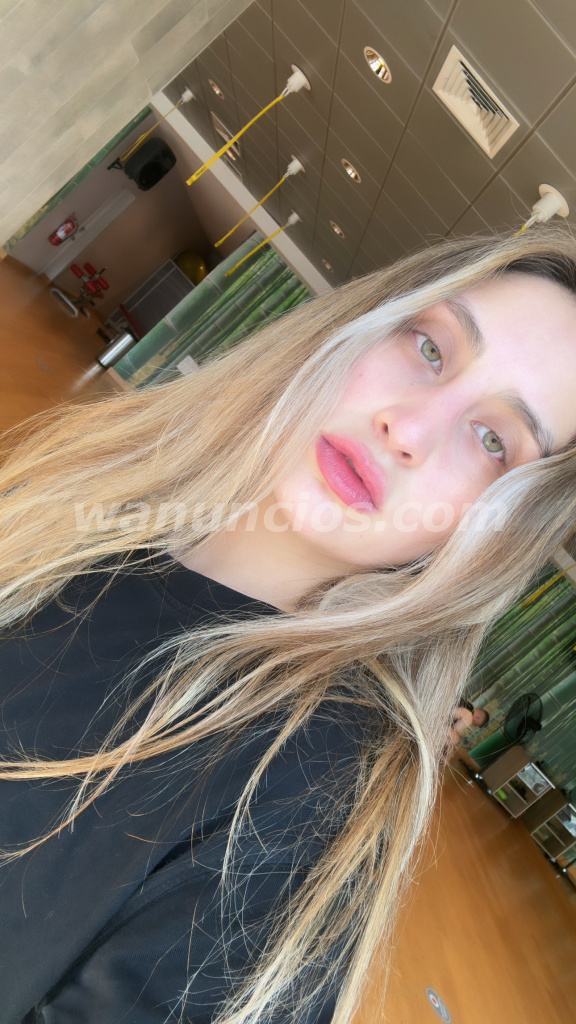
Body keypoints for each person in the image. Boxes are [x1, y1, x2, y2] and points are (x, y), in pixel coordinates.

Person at [1, 226, 576, 1024]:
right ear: (367, 323)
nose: (408, 431)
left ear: (495, 539)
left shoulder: (309, 796)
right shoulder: (82, 502)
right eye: (431, 349)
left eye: (492, 441)